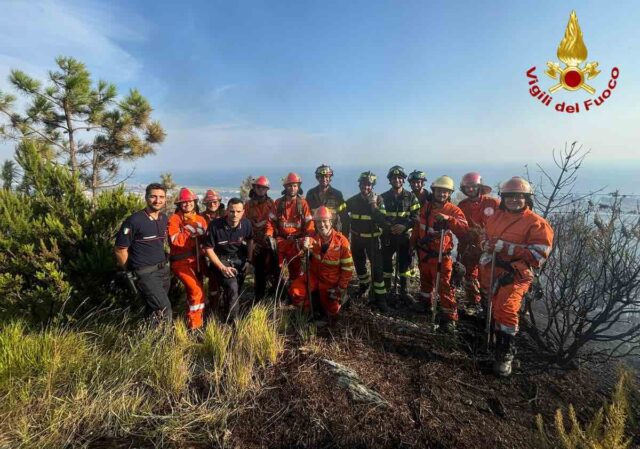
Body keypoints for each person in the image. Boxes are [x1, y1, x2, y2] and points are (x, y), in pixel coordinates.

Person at [480, 177, 553, 377]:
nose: (514, 200)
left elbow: (538, 255)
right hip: (494, 270)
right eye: (510, 196)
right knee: (494, 307)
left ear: (526, 198)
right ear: (503, 198)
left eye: (518, 197)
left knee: (507, 309)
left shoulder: (537, 223)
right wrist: (485, 245)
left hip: (516, 274)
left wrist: (507, 248)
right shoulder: (496, 217)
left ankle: (505, 355)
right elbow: (485, 236)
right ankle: (495, 343)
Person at [411, 176, 468, 333]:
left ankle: (450, 317)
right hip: (424, 253)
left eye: (445, 192)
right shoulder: (426, 207)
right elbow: (418, 227)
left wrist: (449, 220)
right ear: (434, 191)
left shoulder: (453, 210)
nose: (442, 194)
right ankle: (425, 302)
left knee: (444, 286)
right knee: (425, 280)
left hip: (442, 256)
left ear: (449, 193)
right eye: (439, 191)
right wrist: (412, 244)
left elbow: (464, 228)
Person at [114, 183, 171, 323]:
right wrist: (130, 271)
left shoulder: (164, 219)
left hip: (163, 270)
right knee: (165, 309)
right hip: (145, 273)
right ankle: (164, 342)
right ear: (146, 197)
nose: (158, 200)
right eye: (153, 196)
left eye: (161, 197)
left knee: (152, 309)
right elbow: (120, 249)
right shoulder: (134, 220)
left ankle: (147, 338)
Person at [289, 206, 354, 322]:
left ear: (331, 221)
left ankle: (342, 299)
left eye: (324, 221)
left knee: (331, 312)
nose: (322, 225)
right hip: (313, 277)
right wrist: (301, 246)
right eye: (318, 222)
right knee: (296, 291)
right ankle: (308, 311)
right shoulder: (312, 237)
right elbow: (299, 254)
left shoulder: (342, 241)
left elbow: (347, 270)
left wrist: (340, 288)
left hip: (331, 282)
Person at [342, 171, 390, 312]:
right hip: (356, 239)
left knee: (377, 269)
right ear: (360, 185)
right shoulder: (353, 200)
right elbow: (341, 210)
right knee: (360, 266)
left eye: (369, 185)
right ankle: (364, 286)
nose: (366, 187)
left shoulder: (378, 200)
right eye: (363, 184)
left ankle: (380, 299)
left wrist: (373, 205)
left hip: (372, 241)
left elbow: (383, 221)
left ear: (372, 186)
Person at [204, 198, 254, 322]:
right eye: (232, 211)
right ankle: (233, 321)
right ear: (227, 211)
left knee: (236, 288)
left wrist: (249, 260)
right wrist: (222, 267)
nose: (235, 215)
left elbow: (250, 240)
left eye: (238, 211)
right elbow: (208, 249)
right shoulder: (215, 226)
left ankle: (226, 308)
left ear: (243, 212)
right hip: (221, 260)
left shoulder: (246, 224)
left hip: (239, 259)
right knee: (232, 286)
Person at [457, 172, 500, 315]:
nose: (470, 189)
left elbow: (504, 220)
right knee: (469, 276)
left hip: (488, 248)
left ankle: (488, 307)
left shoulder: (493, 203)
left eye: (473, 186)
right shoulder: (462, 205)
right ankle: (474, 303)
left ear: (479, 187)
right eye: (467, 187)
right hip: (469, 248)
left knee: (487, 278)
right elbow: (459, 227)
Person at [380, 165, 421, 306]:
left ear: (403, 180)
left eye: (399, 178)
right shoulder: (383, 197)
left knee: (404, 265)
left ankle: (404, 291)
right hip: (388, 237)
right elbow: (380, 217)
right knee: (386, 264)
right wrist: (390, 227)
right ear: (390, 180)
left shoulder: (411, 197)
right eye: (393, 178)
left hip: (404, 238)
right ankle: (386, 290)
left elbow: (417, 216)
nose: (396, 180)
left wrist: (404, 226)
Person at [265, 172, 314, 288]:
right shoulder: (278, 203)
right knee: (278, 268)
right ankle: (279, 292)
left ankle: (294, 294)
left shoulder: (303, 204)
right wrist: (269, 235)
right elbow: (270, 222)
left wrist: (308, 238)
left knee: (296, 271)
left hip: (296, 243)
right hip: (281, 241)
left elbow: (309, 224)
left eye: (295, 185)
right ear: (285, 187)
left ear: (298, 187)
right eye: (290, 185)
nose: (292, 188)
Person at [168, 188, 208, 329]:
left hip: (197, 261)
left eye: (189, 201)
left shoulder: (200, 219)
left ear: (194, 202)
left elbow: (206, 240)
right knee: (196, 291)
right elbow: (175, 240)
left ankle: (198, 318)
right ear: (179, 204)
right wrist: (188, 229)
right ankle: (194, 326)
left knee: (196, 291)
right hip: (181, 263)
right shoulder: (175, 219)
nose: (187, 204)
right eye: (184, 202)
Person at [244, 176, 275, 301]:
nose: (261, 190)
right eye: (258, 187)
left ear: (267, 189)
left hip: (269, 241)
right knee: (259, 270)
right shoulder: (248, 205)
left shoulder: (271, 204)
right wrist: (252, 244)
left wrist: (270, 239)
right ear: (254, 188)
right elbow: (244, 224)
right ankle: (259, 296)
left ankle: (275, 292)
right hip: (254, 243)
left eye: (264, 188)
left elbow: (274, 223)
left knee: (273, 267)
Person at [200, 189, 225, 311]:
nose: (212, 204)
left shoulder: (225, 216)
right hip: (205, 252)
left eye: (215, 202)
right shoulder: (200, 217)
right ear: (205, 203)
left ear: (219, 202)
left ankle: (222, 302)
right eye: (209, 202)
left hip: (222, 252)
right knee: (212, 279)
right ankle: (212, 304)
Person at [305, 164, 348, 232]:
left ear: (330, 178)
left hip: (333, 234)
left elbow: (344, 218)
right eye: (321, 177)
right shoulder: (311, 194)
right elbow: (306, 215)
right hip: (315, 233)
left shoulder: (337, 195)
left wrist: (345, 236)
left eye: (326, 176)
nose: (324, 179)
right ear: (317, 178)